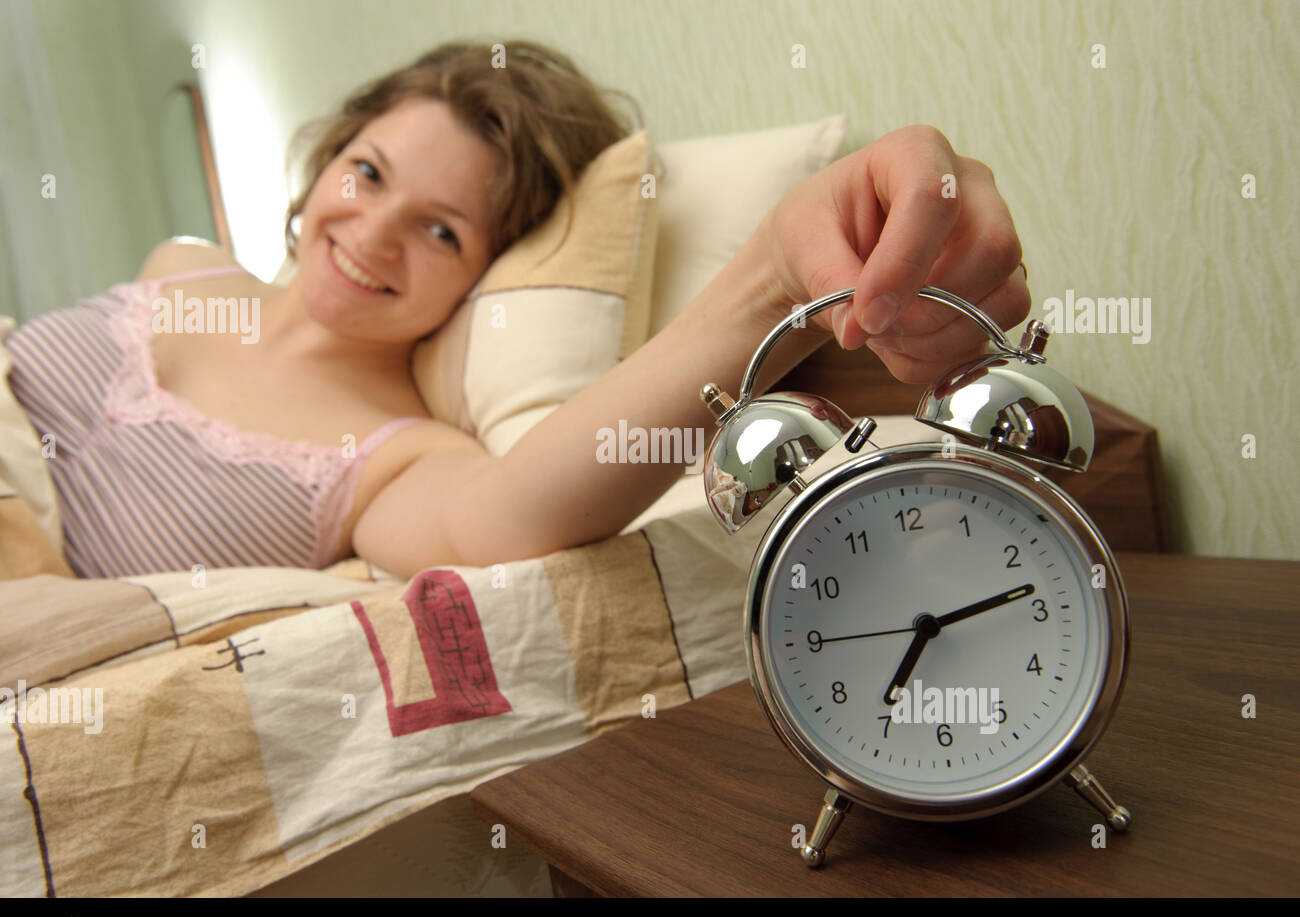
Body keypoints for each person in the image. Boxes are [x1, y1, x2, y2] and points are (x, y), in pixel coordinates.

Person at [3, 40, 1028, 581]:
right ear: (328, 160)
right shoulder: (184, 266)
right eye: (366, 174)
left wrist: (775, 281)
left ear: (486, 279)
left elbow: (519, 510)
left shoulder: (397, 460)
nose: (373, 231)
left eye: (442, 231)